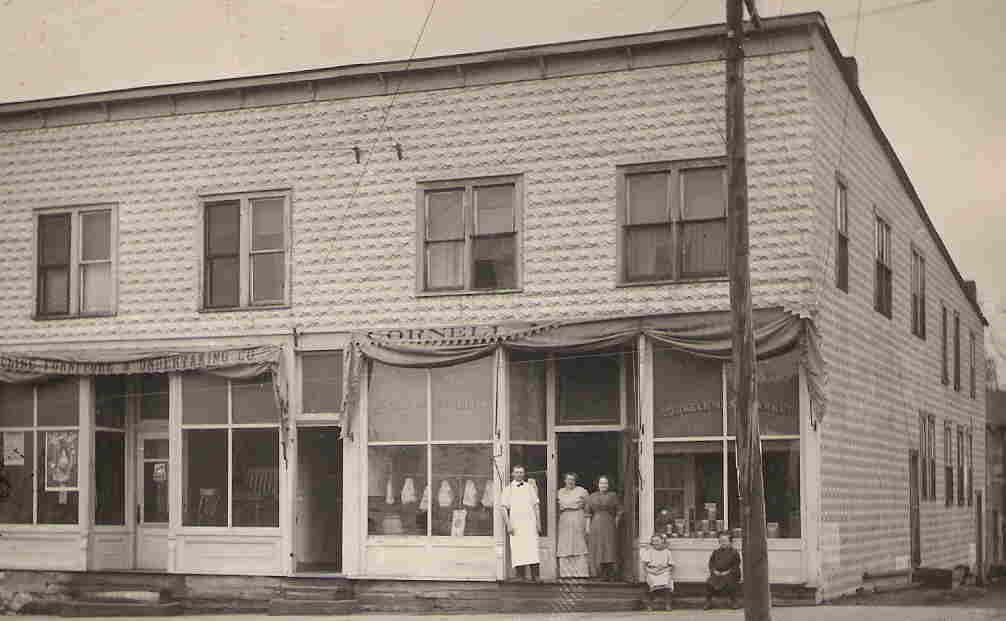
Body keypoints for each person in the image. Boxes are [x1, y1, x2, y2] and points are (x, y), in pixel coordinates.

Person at [500, 464, 541, 582]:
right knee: (518, 549)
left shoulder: (530, 487)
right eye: (517, 472)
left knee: (532, 548)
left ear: (524, 474)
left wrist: (538, 523)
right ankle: (520, 576)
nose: (519, 474)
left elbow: (536, 506)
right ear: (513, 474)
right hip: (516, 524)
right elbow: (503, 508)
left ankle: (535, 576)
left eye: (521, 472)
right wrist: (508, 525)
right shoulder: (508, 489)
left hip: (530, 523)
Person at [585, 474, 623, 580]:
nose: (603, 485)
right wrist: (587, 528)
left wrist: (615, 522)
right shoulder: (592, 496)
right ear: (598, 484)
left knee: (609, 547)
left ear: (609, 485)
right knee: (598, 547)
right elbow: (587, 513)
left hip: (609, 523)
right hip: (596, 524)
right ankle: (599, 573)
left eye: (605, 483)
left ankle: (610, 573)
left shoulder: (613, 495)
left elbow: (619, 511)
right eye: (601, 483)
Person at [556, 472, 590, 578]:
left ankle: (580, 573)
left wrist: (567, 505)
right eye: (568, 479)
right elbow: (557, 507)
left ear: (575, 481)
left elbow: (587, 507)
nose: (570, 482)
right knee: (565, 543)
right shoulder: (559, 492)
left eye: (572, 480)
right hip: (564, 519)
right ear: (564, 481)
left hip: (578, 518)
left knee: (578, 543)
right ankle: (566, 573)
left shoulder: (582, 491)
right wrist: (572, 505)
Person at [705, 531, 742, 609]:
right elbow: (711, 563)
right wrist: (714, 571)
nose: (723, 543)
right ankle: (708, 602)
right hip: (717, 573)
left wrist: (727, 572)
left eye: (725, 541)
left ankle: (734, 601)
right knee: (709, 582)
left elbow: (736, 566)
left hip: (731, 573)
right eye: (721, 541)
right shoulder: (716, 552)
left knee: (731, 582)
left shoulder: (734, 552)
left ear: (730, 542)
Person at [641, 534, 675, 611]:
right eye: (653, 541)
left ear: (662, 541)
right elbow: (644, 565)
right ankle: (649, 604)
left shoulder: (667, 552)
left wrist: (663, 570)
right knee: (651, 582)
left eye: (657, 541)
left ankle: (667, 604)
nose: (655, 543)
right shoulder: (649, 551)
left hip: (663, 571)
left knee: (667, 581)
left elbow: (671, 566)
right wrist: (651, 571)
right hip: (652, 571)